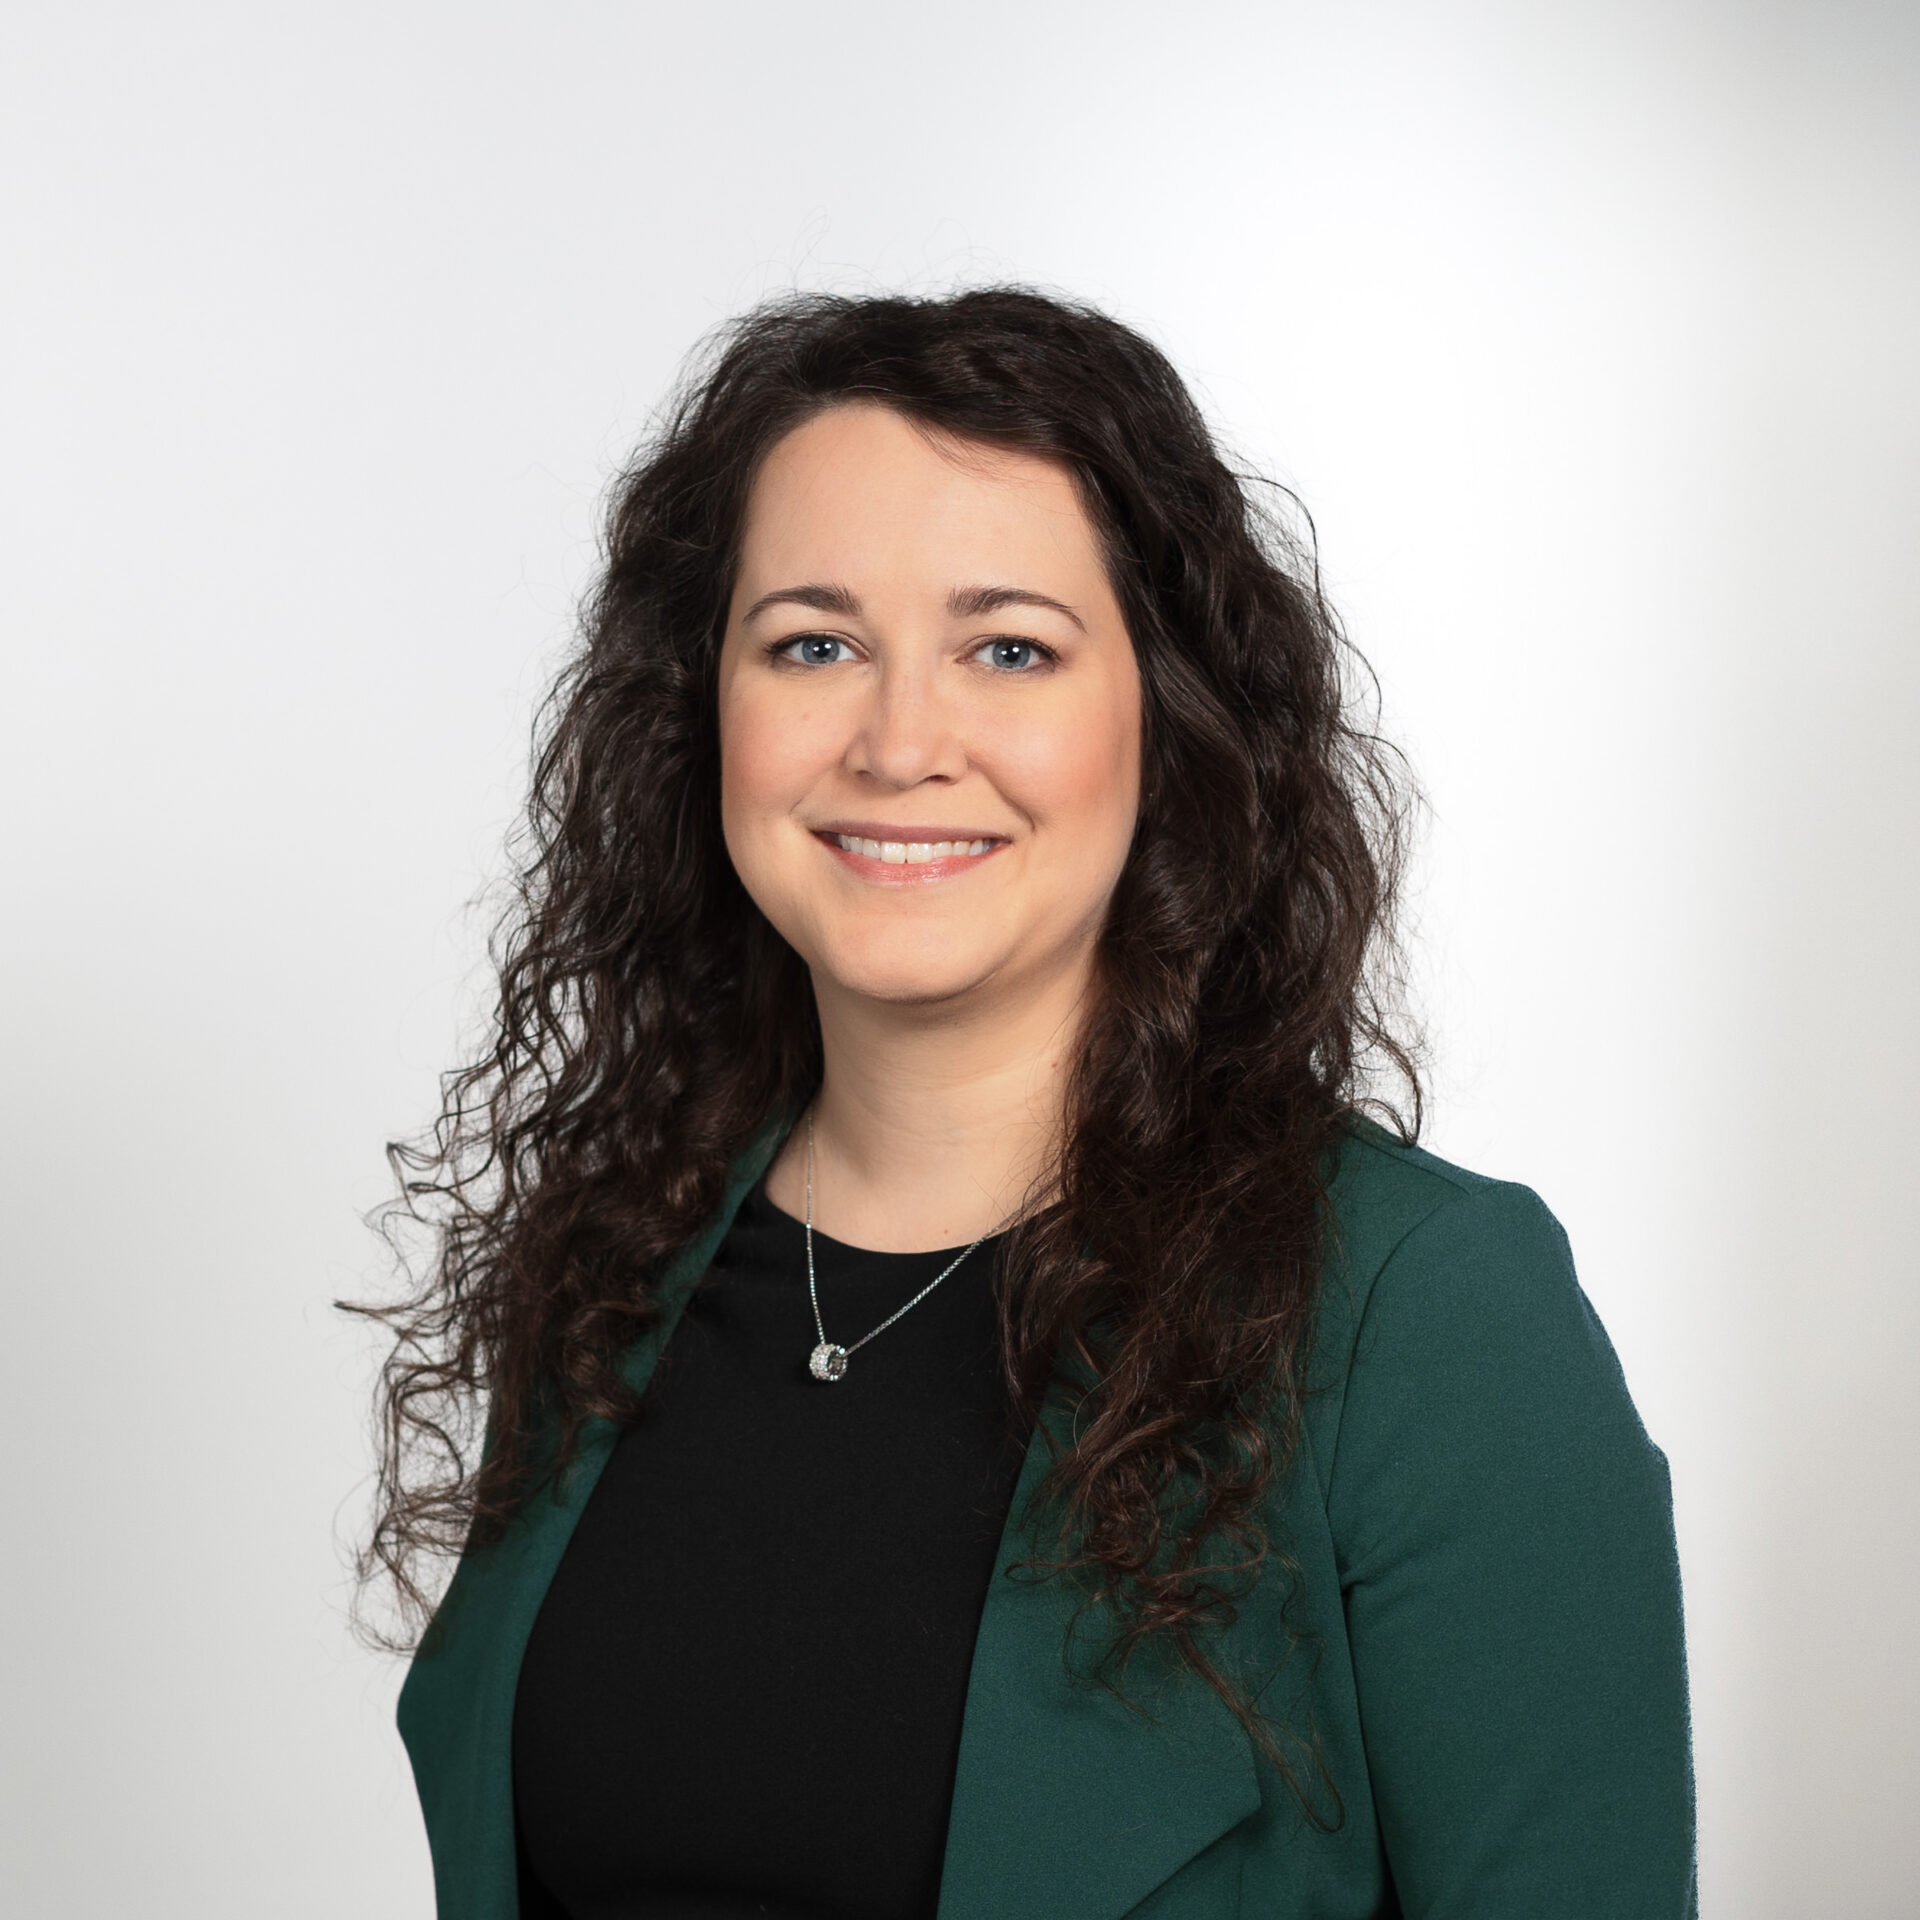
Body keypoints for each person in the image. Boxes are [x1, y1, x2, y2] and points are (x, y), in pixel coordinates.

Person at [358, 288, 1695, 1919]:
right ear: (701, 707)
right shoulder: (610, 1267)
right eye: (814, 643)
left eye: (1009, 648)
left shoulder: (1423, 1317)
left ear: (1168, 715)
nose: (903, 739)